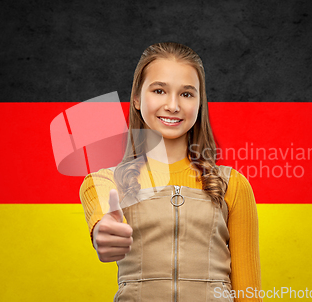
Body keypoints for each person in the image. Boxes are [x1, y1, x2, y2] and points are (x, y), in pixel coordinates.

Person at [80, 42, 262, 301]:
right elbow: (102, 228)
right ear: (136, 98)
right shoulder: (104, 182)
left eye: (187, 94)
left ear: (200, 103)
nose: (173, 105)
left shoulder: (233, 184)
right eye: (159, 90)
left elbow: (249, 293)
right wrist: (105, 235)